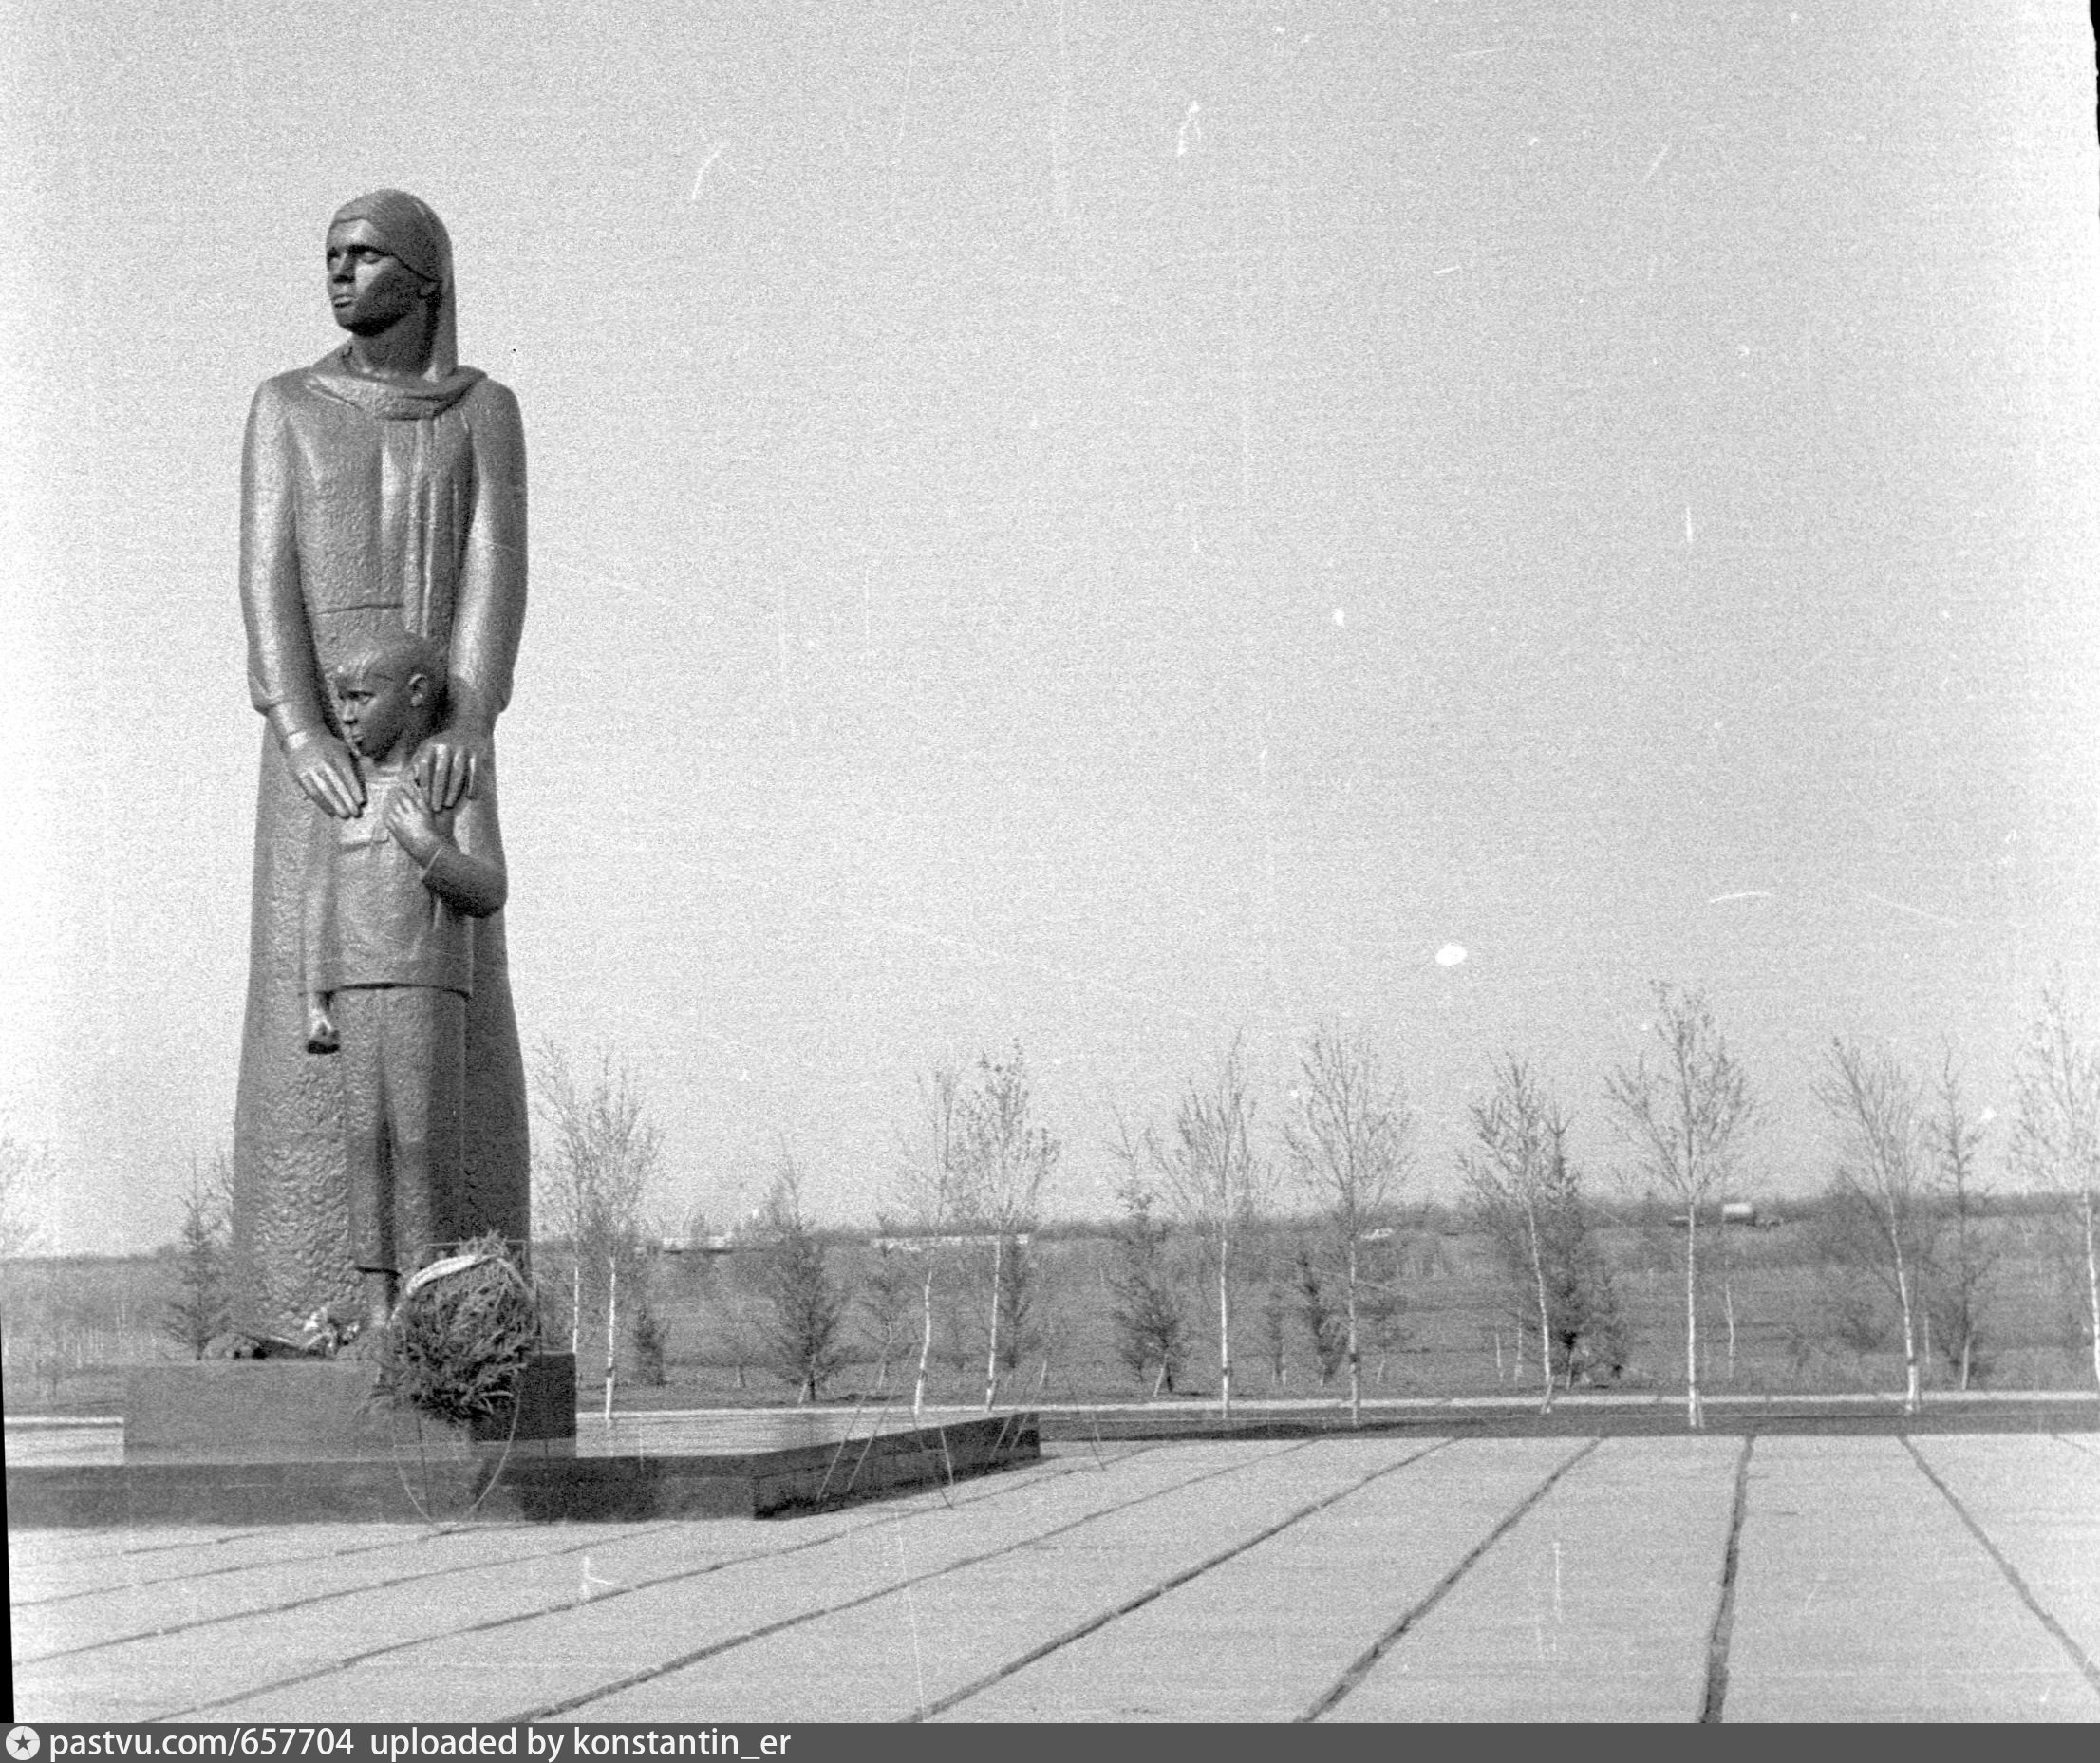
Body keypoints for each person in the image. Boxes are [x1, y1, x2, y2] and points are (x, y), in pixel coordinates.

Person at [234, 190, 530, 1320]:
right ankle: (302, 1298)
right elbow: (265, 576)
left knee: (451, 1015)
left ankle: (452, 1293)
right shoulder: (285, 406)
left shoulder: (482, 411)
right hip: (317, 743)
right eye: (330, 258)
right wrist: (301, 724)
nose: (341, 275)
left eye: (365, 257)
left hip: (443, 732)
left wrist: (469, 718)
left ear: (425, 279)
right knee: (310, 1004)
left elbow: (497, 569)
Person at [303, 628, 507, 1329]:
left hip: (426, 983)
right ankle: (377, 1305)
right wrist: (315, 998)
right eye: (341, 701)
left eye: (362, 697)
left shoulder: (454, 782)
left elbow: (489, 886)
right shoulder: (343, 792)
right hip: (358, 988)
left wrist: (426, 845)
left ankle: (430, 1295)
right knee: (366, 1142)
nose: (349, 715)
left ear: (417, 694)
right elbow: (319, 898)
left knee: (421, 1142)